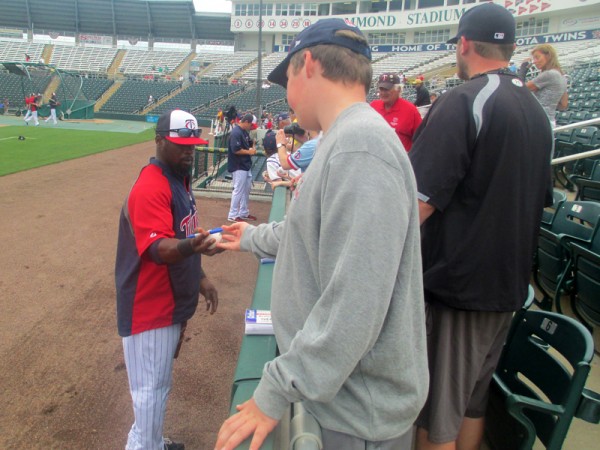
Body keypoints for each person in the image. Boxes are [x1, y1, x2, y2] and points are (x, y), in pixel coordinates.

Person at [215, 18, 428, 450]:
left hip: (356, 414)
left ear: (307, 63)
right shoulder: (346, 137)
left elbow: (356, 303)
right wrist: (251, 238)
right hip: (343, 398)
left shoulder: (360, 146)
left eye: (287, 77)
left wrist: (273, 391)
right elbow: (309, 232)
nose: (287, 94)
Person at [408, 4, 553, 450]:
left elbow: (413, 209)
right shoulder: (533, 108)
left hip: (460, 292)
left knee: (437, 422)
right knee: (471, 405)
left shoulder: (466, 99)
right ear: (510, 47)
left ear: (464, 44)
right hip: (507, 289)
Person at [115, 109, 218, 450]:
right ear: (159, 141)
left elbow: (182, 232)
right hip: (151, 307)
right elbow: (159, 249)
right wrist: (195, 246)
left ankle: (152, 442)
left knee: (157, 388)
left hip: (170, 301)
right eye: (180, 145)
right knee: (149, 391)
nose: (189, 151)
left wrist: (200, 276)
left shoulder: (178, 178)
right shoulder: (151, 186)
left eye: (192, 145)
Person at [519, 43, 568, 127]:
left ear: (548, 56)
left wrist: (523, 68)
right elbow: (563, 105)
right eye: (534, 58)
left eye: (537, 57)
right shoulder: (562, 76)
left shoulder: (549, 74)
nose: (534, 61)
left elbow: (518, 88)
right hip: (550, 121)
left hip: (538, 121)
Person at [370, 72, 423, 151]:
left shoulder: (410, 110)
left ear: (398, 89)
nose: (383, 92)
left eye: (387, 89)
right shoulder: (373, 106)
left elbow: (421, 139)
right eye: (381, 89)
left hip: (401, 160)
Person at [226, 113, 258, 223]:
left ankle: (243, 212)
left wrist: (253, 145)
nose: (251, 127)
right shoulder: (236, 132)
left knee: (246, 189)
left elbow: (249, 143)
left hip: (245, 165)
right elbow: (236, 150)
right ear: (246, 122)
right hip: (238, 165)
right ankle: (233, 214)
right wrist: (249, 151)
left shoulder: (244, 132)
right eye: (251, 125)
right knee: (238, 190)